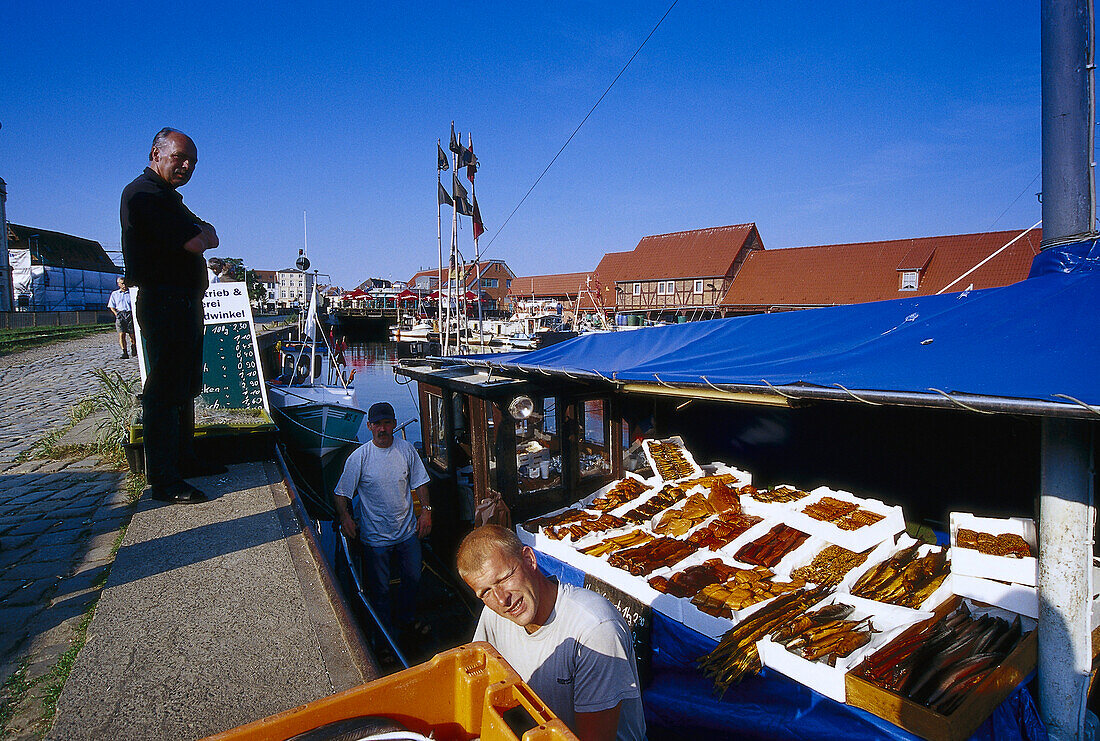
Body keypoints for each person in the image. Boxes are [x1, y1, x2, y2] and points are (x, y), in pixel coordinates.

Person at [457, 526, 646, 741]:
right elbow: (477, 688)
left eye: (504, 579)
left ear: (529, 560)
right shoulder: (495, 614)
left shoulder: (595, 629)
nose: (502, 600)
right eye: (486, 592)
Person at [121, 127, 222, 504]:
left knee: (185, 384)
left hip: (184, 300)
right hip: (163, 299)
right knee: (163, 391)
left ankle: (185, 460)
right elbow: (200, 240)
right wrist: (201, 235)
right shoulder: (143, 194)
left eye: (192, 161)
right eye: (179, 157)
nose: (186, 165)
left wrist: (203, 234)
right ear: (156, 153)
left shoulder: (170, 199)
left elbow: (211, 234)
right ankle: (163, 479)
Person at [334, 401, 432, 637]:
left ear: (394, 425)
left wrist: (427, 511)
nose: (382, 429)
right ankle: (384, 636)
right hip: (375, 539)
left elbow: (420, 482)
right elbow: (341, 493)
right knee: (379, 590)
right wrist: (346, 517)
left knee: (413, 579)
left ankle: (406, 621)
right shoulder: (359, 457)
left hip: (407, 533)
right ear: (369, 426)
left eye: (387, 423)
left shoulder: (406, 449)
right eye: (377, 424)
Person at [107, 276, 136, 359]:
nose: (124, 285)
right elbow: (111, 306)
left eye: (125, 283)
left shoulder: (131, 293)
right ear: (119, 284)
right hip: (120, 314)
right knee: (121, 334)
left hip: (130, 314)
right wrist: (116, 314)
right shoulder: (115, 294)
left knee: (132, 334)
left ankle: (133, 346)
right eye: (122, 283)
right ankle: (124, 352)